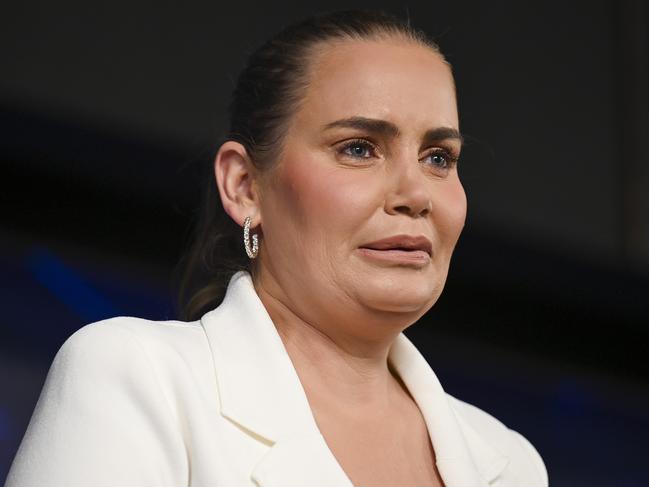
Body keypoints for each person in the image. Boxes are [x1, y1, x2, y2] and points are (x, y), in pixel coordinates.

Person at [5, 9, 548, 487]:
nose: (415, 194)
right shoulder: (139, 377)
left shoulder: (511, 463)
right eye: (359, 148)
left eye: (439, 158)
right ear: (244, 186)